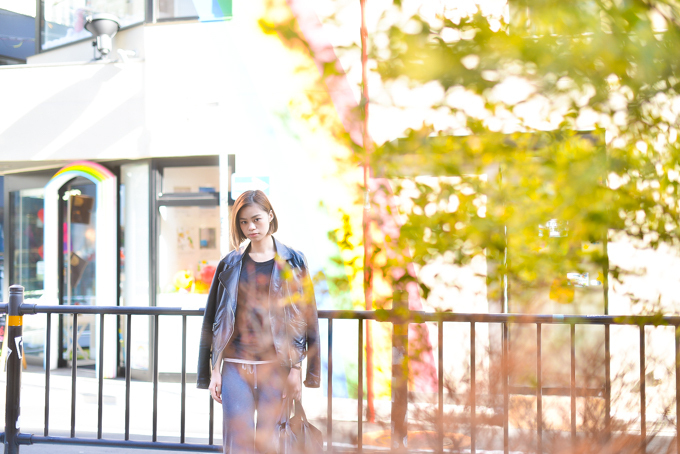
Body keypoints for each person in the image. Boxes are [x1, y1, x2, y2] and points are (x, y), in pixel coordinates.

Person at [197, 190, 321, 453]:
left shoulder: (293, 261)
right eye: (243, 222)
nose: (250, 227)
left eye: (256, 219)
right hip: (234, 369)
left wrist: (298, 371)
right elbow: (213, 320)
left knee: (272, 445)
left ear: (270, 215)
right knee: (237, 445)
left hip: (275, 369)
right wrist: (214, 370)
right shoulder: (229, 264)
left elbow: (305, 318)